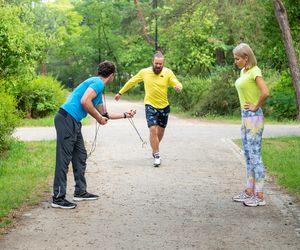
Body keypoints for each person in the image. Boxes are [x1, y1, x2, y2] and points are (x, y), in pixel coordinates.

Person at [51, 60, 136, 209]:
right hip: (66, 118)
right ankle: (58, 198)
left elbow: (105, 114)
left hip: (74, 121)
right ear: (112, 75)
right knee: (64, 160)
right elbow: (85, 102)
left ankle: (80, 192)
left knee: (80, 156)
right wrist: (98, 118)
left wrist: (125, 115)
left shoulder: (97, 87)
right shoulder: (98, 83)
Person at [114, 51, 182, 167]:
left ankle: (154, 148)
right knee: (152, 130)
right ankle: (157, 155)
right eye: (156, 63)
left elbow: (177, 83)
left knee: (160, 132)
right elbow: (132, 81)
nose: (158, 66)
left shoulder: (168, 72)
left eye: (160, 64)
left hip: (164, 107)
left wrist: (178, 87)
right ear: (153, 62)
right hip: (150, 105)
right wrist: (120, 92)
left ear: (163, 63)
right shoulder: (144, 72)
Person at [232, 43, 269, 207]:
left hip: (254, 118)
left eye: (237, 58)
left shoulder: (255, 71)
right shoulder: (243, 71)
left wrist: (255, 105)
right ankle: (249, 191)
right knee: (247, 155)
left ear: (246, 57)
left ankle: (260, 195)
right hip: (245, 117)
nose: (236, 61)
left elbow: (265, 92)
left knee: (255, 156)